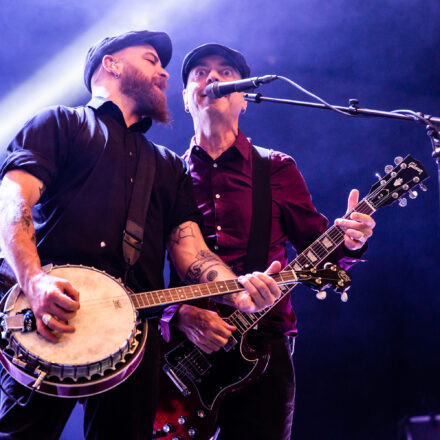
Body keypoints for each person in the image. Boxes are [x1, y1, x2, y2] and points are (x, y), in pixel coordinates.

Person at [0, 32, 281, 440]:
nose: (164, 72)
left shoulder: (167, 166)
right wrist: (35, 280)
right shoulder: (60, 123)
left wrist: (236, 291)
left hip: (135, 339)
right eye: (151, 59)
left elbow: (192, 253)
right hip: (47, 321)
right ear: (111, 64)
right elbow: (12, 205)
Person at [160, 43, 376, 440]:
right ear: (186, 99)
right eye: (200, 73)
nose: (212, 78)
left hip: (262, 346)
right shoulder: (166, 174)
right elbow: (141, 269)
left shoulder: (276, 167)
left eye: (226, 72)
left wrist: (352, 240)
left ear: (244, 98)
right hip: (179, 353)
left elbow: (320, 250)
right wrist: (176, 316)